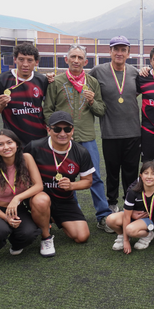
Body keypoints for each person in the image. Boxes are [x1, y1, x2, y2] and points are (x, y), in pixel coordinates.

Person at [43, 44, 111, 233]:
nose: (76, 60)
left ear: (86, 61)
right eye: (73, 57)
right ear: (66, 59)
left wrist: (91, 101)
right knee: (66, 178)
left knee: (95, 176)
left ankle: (103, 216)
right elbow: (47, 110)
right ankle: (73, 214)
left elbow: (101, 110)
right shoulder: (56, 82)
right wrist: (57, 132)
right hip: (63, 140)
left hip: (87, 137)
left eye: (80, 58)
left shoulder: (92, 82)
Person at [24, 111, 94, 257]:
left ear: (72, 130)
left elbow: (88, 182)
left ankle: (52, 216)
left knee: (82, 237)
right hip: (39, 198)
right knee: (42, 200)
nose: (62, 133)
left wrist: (72, 186)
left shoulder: (81, 152)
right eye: (57, 129)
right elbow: (18, 170)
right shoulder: (34, 147)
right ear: (48, 130)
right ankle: (46, 236)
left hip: (64, 199)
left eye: (67, 129)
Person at [89, 36, 141, 213]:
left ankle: (130, 202)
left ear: (128, 53)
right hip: (110, 132)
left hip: (133, 132)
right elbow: (79, 79)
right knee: (112, 172)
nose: (119, 53)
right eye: (116, 49)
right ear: (110, 51)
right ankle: (112, 203)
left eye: (123, 50)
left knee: (131, 172)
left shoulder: (135, 72)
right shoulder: (98, 71)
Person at [0, 130, 43, 262]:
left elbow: (38, 185)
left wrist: (17, 198)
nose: (6, 147)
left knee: (29, 233)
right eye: (0, 144)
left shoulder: (27, 158)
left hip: (17, 208)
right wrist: (6, 217)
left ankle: (16, 242)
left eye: (9, 142)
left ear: (17, 144)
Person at [107, 161, 154, 253]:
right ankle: (123, 236)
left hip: (149, 220)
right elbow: (127, 216)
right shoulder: (133, 192)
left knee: (130, 230)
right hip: (132, 217)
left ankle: (148, 235)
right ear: (141, 176)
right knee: (110, 219)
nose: (149, 176)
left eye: (153, 174)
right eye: (146, 173)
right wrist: (126, 241)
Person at [0, 43, 48, 145]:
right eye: (21, 59)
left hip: (39, 139)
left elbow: (49, 109)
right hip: (13, 140)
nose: (25, 64)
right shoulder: (2, 79)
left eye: (30, 60)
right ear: (15, 60)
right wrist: (1, 105)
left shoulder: (42, 80)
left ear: (36, 62)